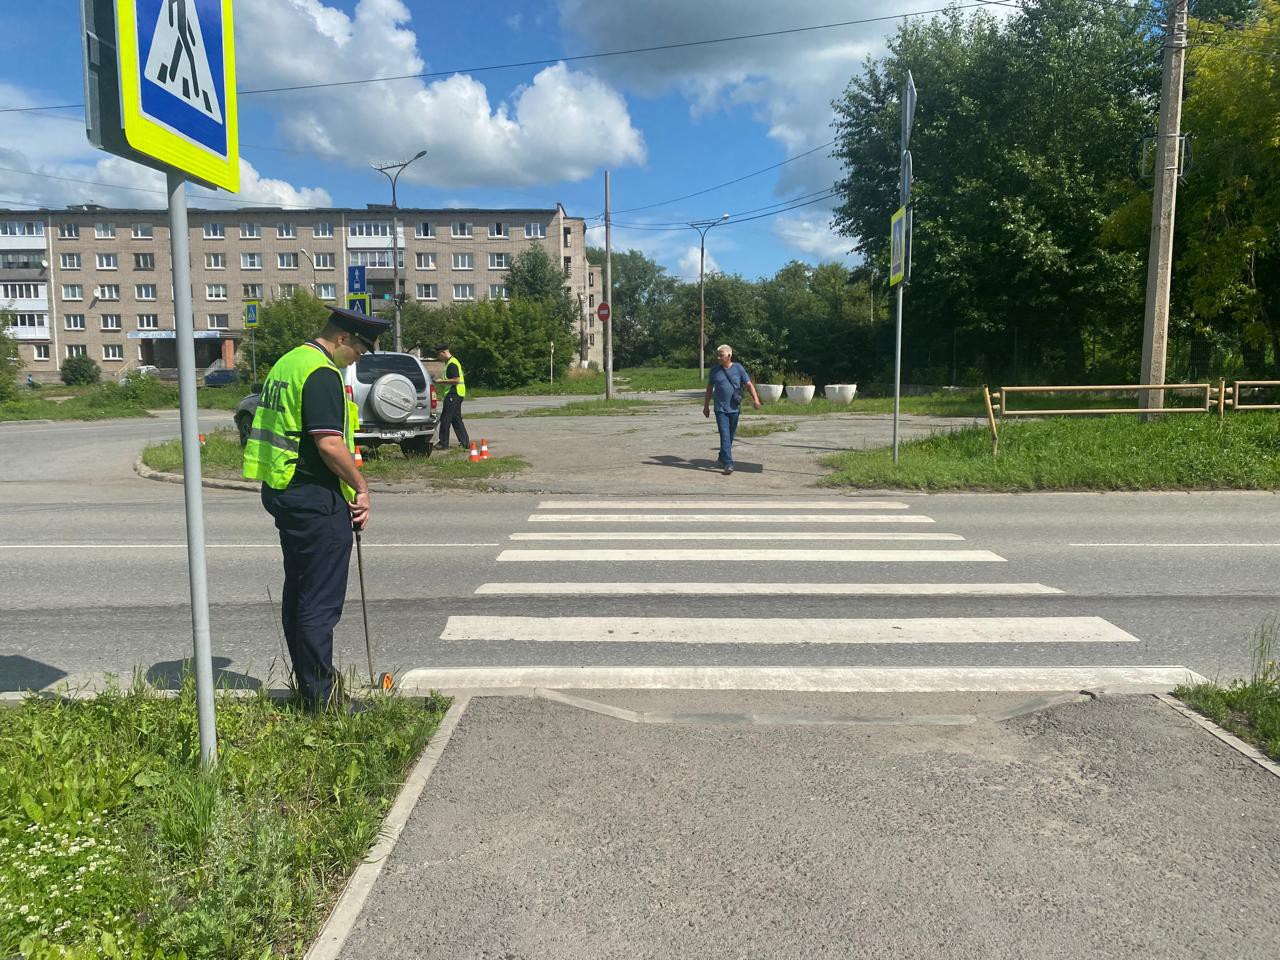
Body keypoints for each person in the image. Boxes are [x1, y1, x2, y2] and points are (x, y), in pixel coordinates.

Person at [242, 306, 388, 710]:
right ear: (342, 339)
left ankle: (310, 686)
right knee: (319, 602)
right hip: (313, 496)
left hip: (284, 488)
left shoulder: (289, 362)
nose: (357, 360)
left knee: (301, 591)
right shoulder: (321, 372)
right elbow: (328, 443)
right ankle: (324, 699)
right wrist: (361, 486)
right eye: (358, 351)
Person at [703, 343, 761, 475]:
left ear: (729, 356)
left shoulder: (738, 368)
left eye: (721, 355)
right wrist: (706, 407)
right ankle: (728, 463)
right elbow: (709, 389)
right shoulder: (714, 370)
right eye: (718, 355)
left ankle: (722, 456)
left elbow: (749, 385)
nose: (718, 357)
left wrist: (756, 399)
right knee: (725, 434)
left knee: (730, 435)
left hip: (734, 408)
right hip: (720, 409)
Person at [433, 343, 470, 451]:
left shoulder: (452, 364)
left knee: (445, 418)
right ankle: (465, 443)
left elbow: (456, 380)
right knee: (456, 419)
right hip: (457, 394)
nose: (438, 357)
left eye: (439, 355)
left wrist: (440, 381)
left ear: (443, 352)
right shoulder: (450, 362)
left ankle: (443, 443)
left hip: (453, 394)